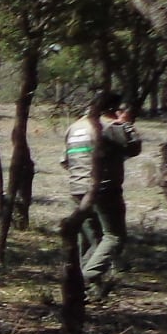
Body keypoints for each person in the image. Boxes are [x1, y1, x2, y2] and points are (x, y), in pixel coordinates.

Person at [64, 89, 141, 304]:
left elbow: (65, 161)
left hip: (77, 189)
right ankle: (84, 281)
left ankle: (87, 292)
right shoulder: (109, 126)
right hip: (105, 189)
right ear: (114, 109)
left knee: (91, 242)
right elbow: (134, 148)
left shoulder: (75, 126)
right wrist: (125, 124)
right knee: (114, 237)